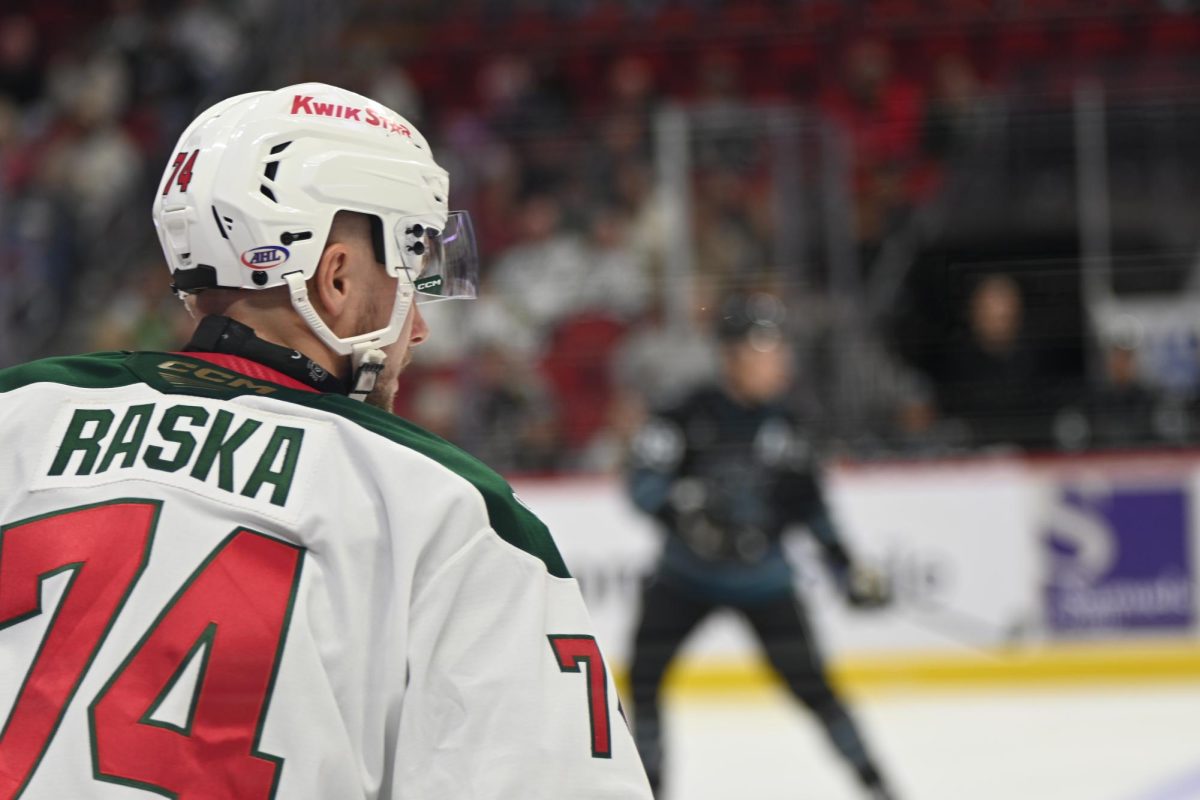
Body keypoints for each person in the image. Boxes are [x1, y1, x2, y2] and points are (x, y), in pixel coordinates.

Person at [0, 83, 652, 799]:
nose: (421, 328)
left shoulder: (18, 415)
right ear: (336, 277)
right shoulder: (447, 512)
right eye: (409, 271)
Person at [626, 292, 897, 799]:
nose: (780, 362)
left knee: (815, 689)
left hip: (764, 581)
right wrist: (691, 517)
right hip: (685, 578)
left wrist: (848, 570)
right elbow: (642, 485)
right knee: (643, 680)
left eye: (780, 350)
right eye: (766, 351)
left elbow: (811, 508)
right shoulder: (686, 414)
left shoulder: (788, 423)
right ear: (732, 356)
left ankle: (877, 786)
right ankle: (651, 789)